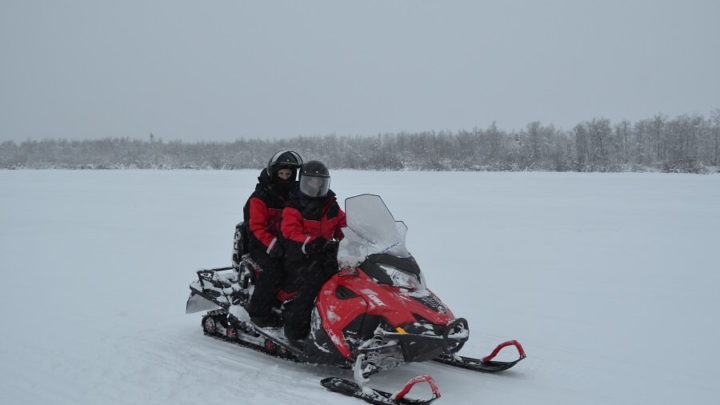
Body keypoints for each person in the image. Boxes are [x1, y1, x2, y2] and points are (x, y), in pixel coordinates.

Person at [280, 160, 346, 343]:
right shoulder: (294, 206)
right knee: (314, 284)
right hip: (298, 256)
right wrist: (313, 243)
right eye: (313, 181)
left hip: (324, 255)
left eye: (320, 181)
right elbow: (290, 233)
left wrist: (362, 235)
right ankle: (296, 330)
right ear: (304, 181)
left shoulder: (330, 205)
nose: (317, 185)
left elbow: (345, 225)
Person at [243, 150, 303, 327]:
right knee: (273, 269)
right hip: (261, 245)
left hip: (288, 243)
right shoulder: (260, 197)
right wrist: (273, 244)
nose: (285, 178)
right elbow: (255, 227)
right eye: (281, 174)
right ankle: (259, 313)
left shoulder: (295, 194)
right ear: (273, 173)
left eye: (289, 174)